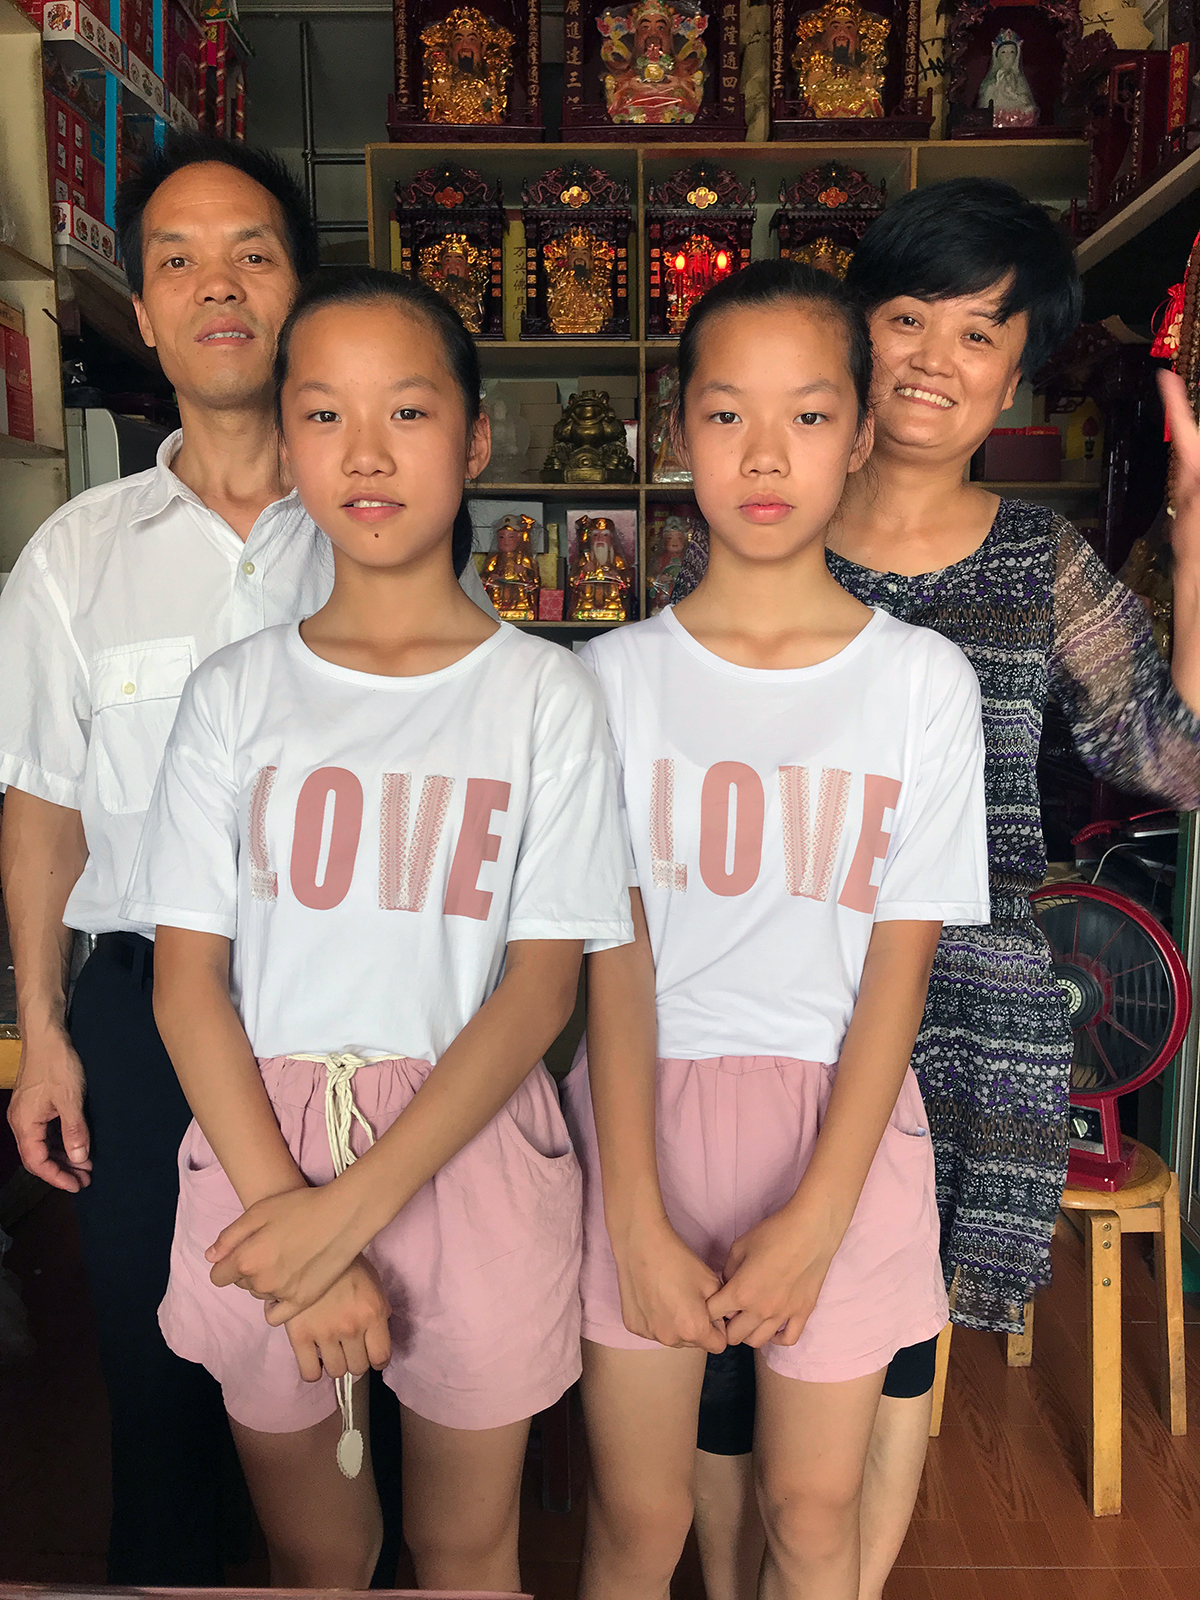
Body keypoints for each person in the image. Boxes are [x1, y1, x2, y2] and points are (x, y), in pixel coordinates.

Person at [682, 178, 1200, 1600]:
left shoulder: (1044, 566)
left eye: (979, 334)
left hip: (962, 1012)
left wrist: (1197, 524)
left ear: (1018, 371)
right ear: (850, 333)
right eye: (905, 317)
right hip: (752, 1002)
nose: (931, 359)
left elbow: (1167, 758)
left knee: (885, 1359)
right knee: (722, 1353)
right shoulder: (762, 515)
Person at [0, 132, 492, 1585]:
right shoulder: (75, 560)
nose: (218, 286)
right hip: (148, 1007)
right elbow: (41, 805)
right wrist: (42, 1033)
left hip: (363, 1003)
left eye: (253, 254)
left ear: (299, 292)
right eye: (177, 261)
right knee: (165, 1359)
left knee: (381, 1347)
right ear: (140, 314)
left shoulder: (383, 514)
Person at [121, 265, 633, 1589]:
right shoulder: (234, 697)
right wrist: (294, 1214)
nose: (365, 453)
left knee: (467, 1546)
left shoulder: (546, 698)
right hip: (260, 1148)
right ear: (287, 445)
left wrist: (344, 1218)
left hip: (470, 1152)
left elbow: (536, 994)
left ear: (475, 439)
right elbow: (186, 984)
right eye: (324, 414)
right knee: (317, 1548)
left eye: (406, 414)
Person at [560, 258, 990, 1600]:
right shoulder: (606, 684)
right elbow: (611, 966)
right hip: (644, 1114)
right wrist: (631, 1204)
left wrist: (818, 1213)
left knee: (812, 1516)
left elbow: (896, 979)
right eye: (726, 412)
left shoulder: (922, 685)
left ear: (861, 433)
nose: (765, 453)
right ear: (672, 430)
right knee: (640, 1520)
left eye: (808, 415)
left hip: (847, 1128)